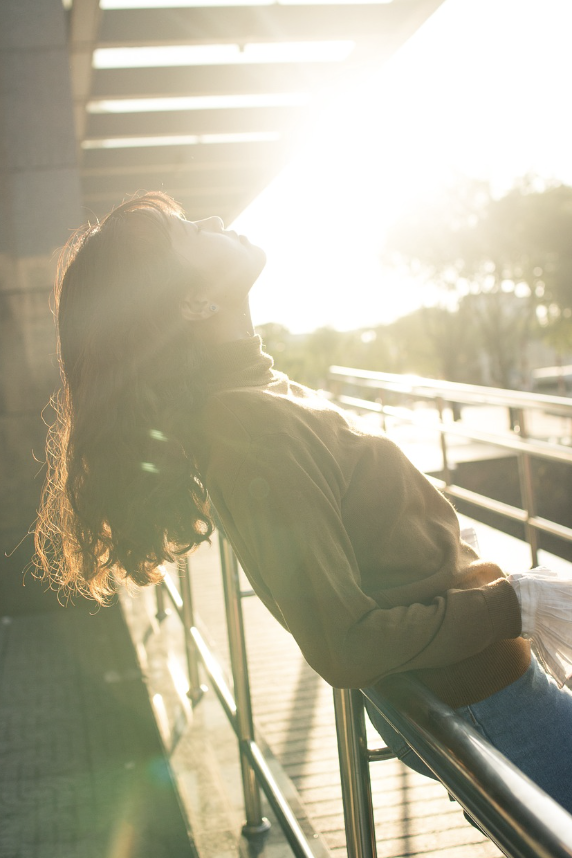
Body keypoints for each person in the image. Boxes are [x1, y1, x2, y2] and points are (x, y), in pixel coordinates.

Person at [35, 191, 572, 815]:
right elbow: (341, 642)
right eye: (186, 230)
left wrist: (513, 605)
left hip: (492, 693)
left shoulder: (256, 392)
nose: (212, 217)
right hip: (487, 703)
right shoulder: (248, 427)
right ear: (195, 301)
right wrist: (515, 603)